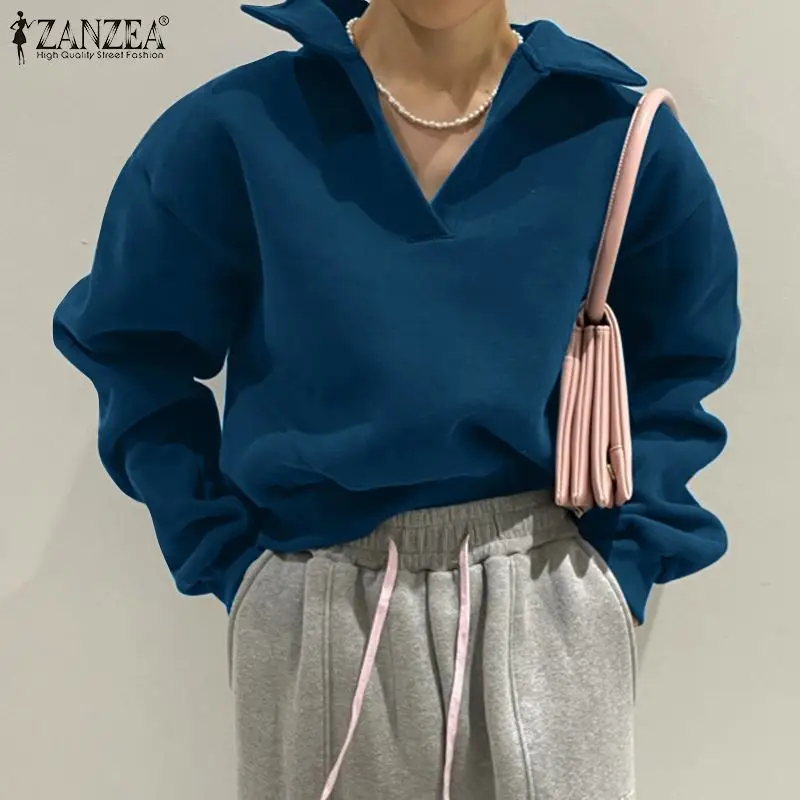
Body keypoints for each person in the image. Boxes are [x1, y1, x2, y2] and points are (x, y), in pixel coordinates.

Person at [52, 0, 740, 797]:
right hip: (316, 603)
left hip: (547, 595)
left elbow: (682, 357)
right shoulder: (239, 130)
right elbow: (134, 345)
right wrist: (232, 561)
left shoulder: (613, 136)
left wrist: (620, 566)